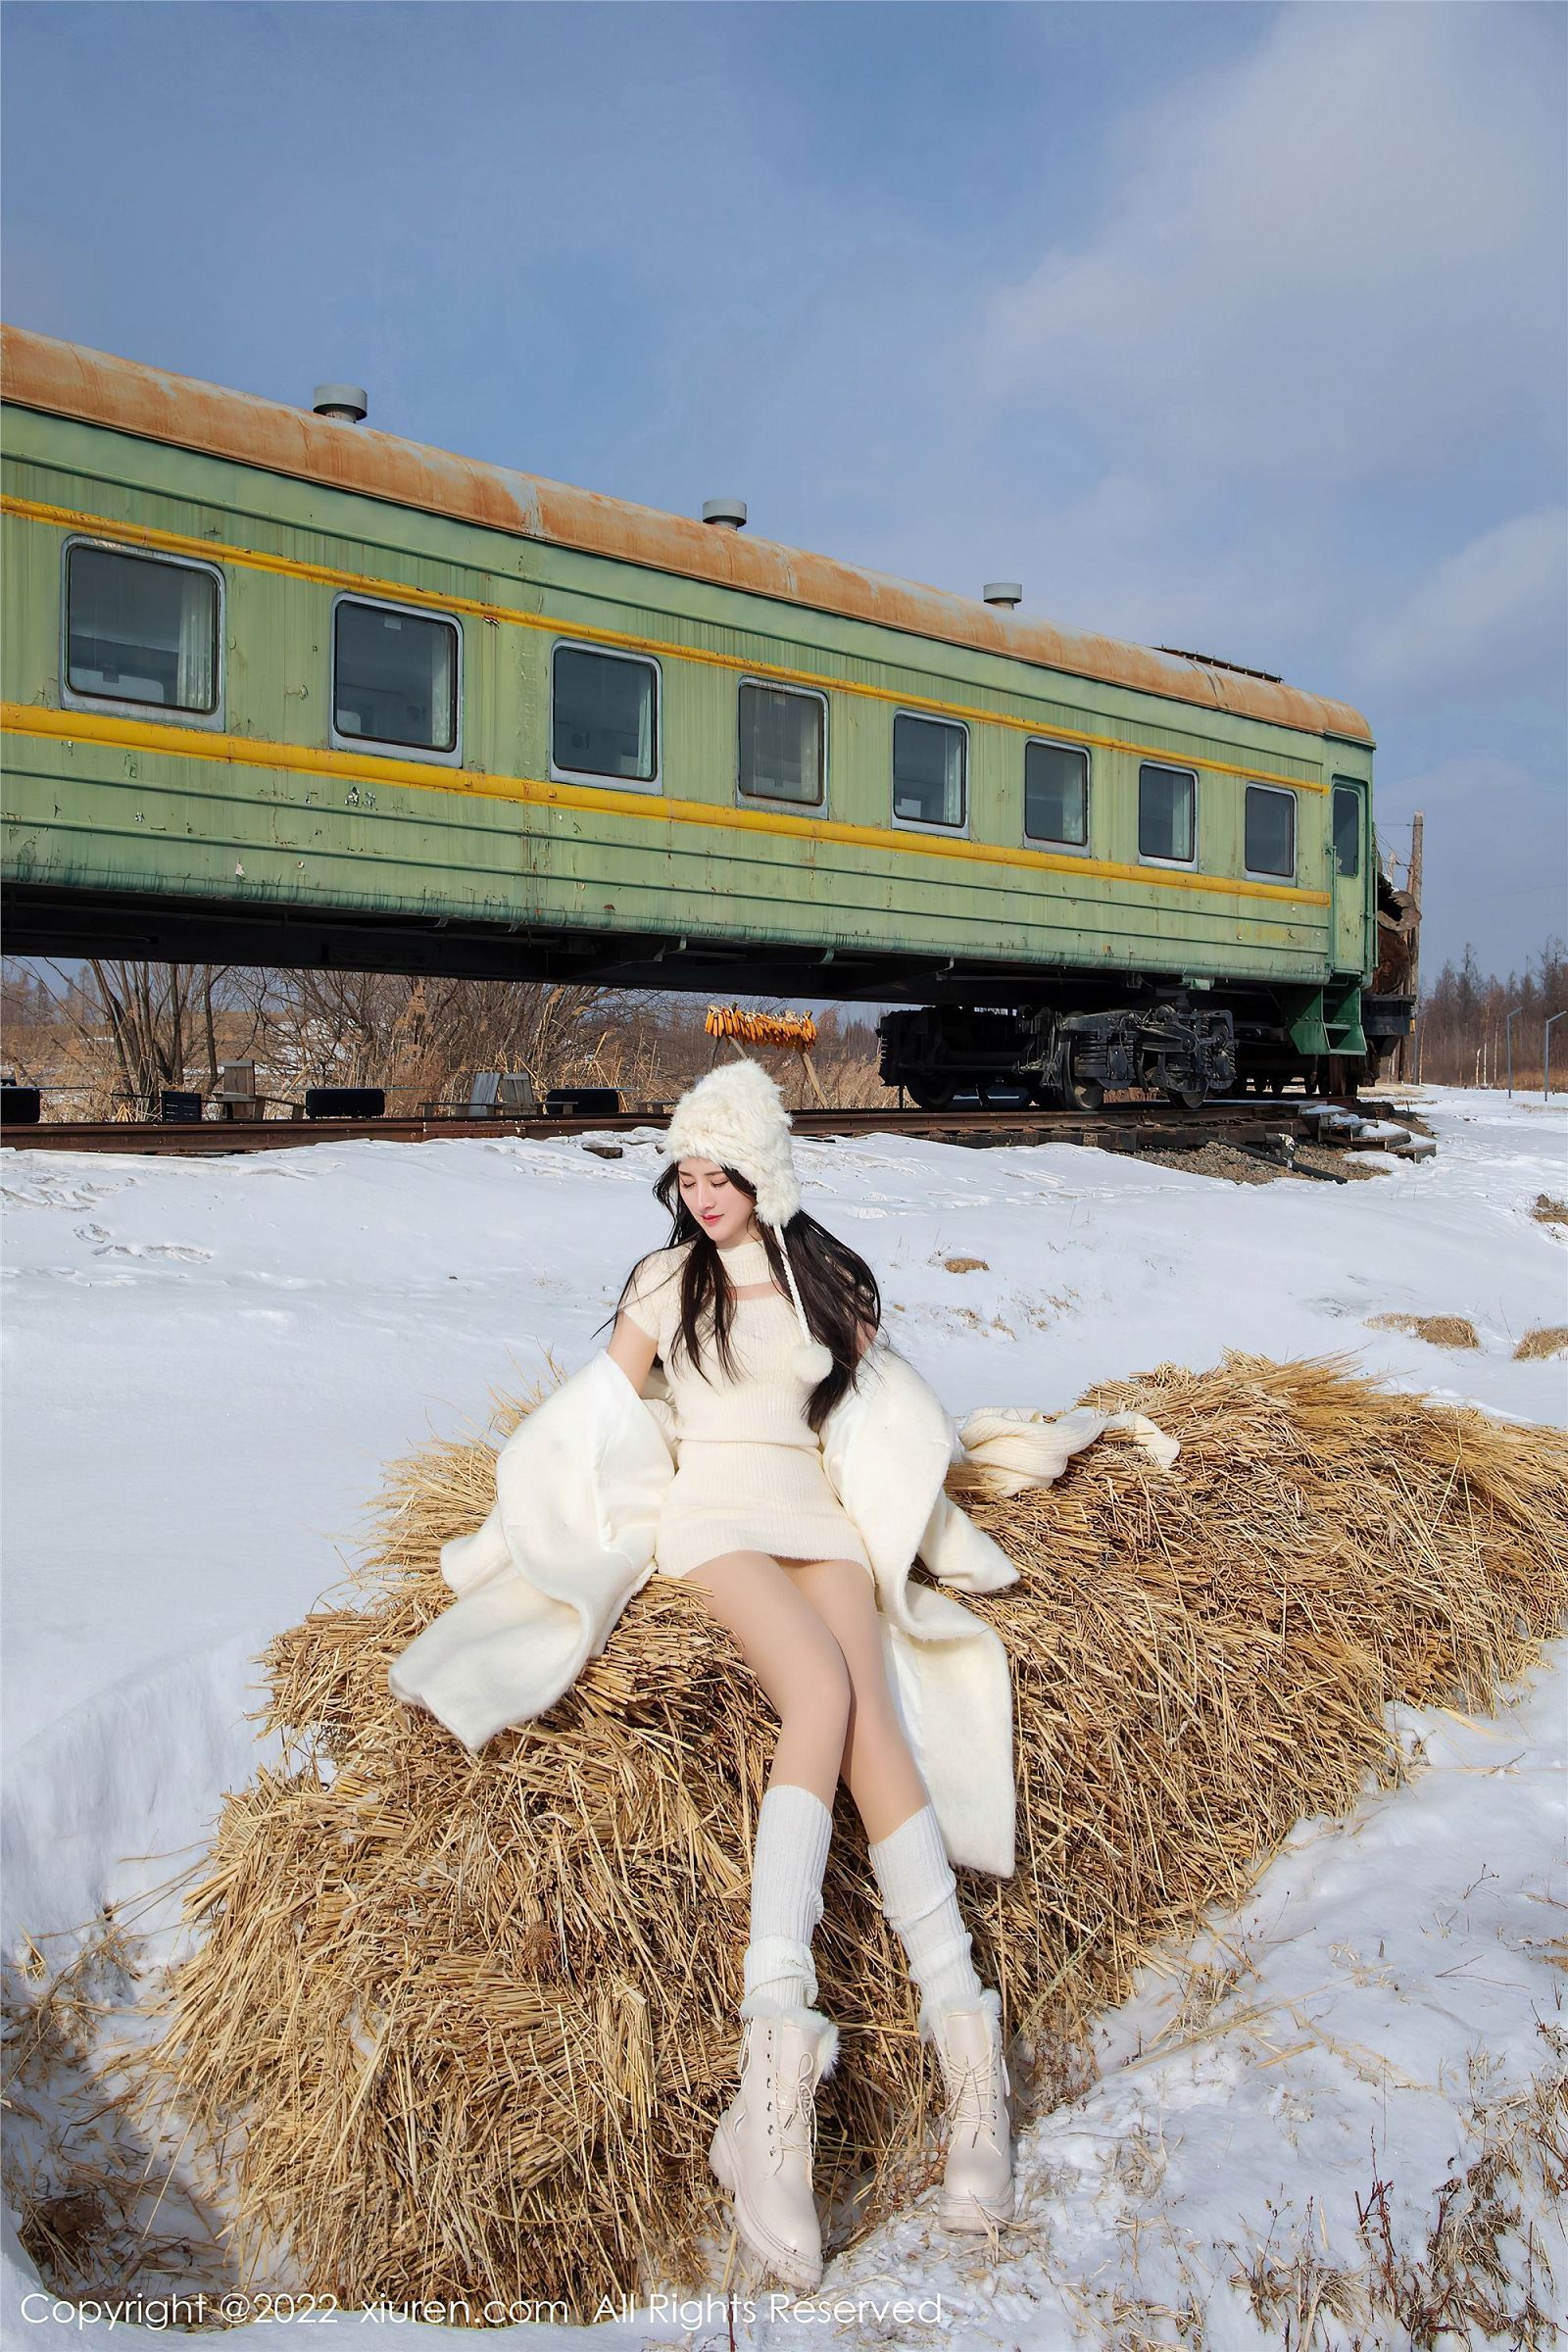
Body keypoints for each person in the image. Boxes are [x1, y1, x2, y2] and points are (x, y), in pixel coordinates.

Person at [601, 1056, 1012, 2292]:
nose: (701, 1193)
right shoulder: (663, 1280)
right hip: (715, 1518)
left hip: (813, 1516)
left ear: (764, 1175)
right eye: (687, 1172)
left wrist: (954, 1486)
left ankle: (971, 2070)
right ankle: (770, 2068)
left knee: (873, 1721)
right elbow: (602, 1412)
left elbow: (886, 1412)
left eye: (721, 1174)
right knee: (818, 1694)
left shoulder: (821, 1281)